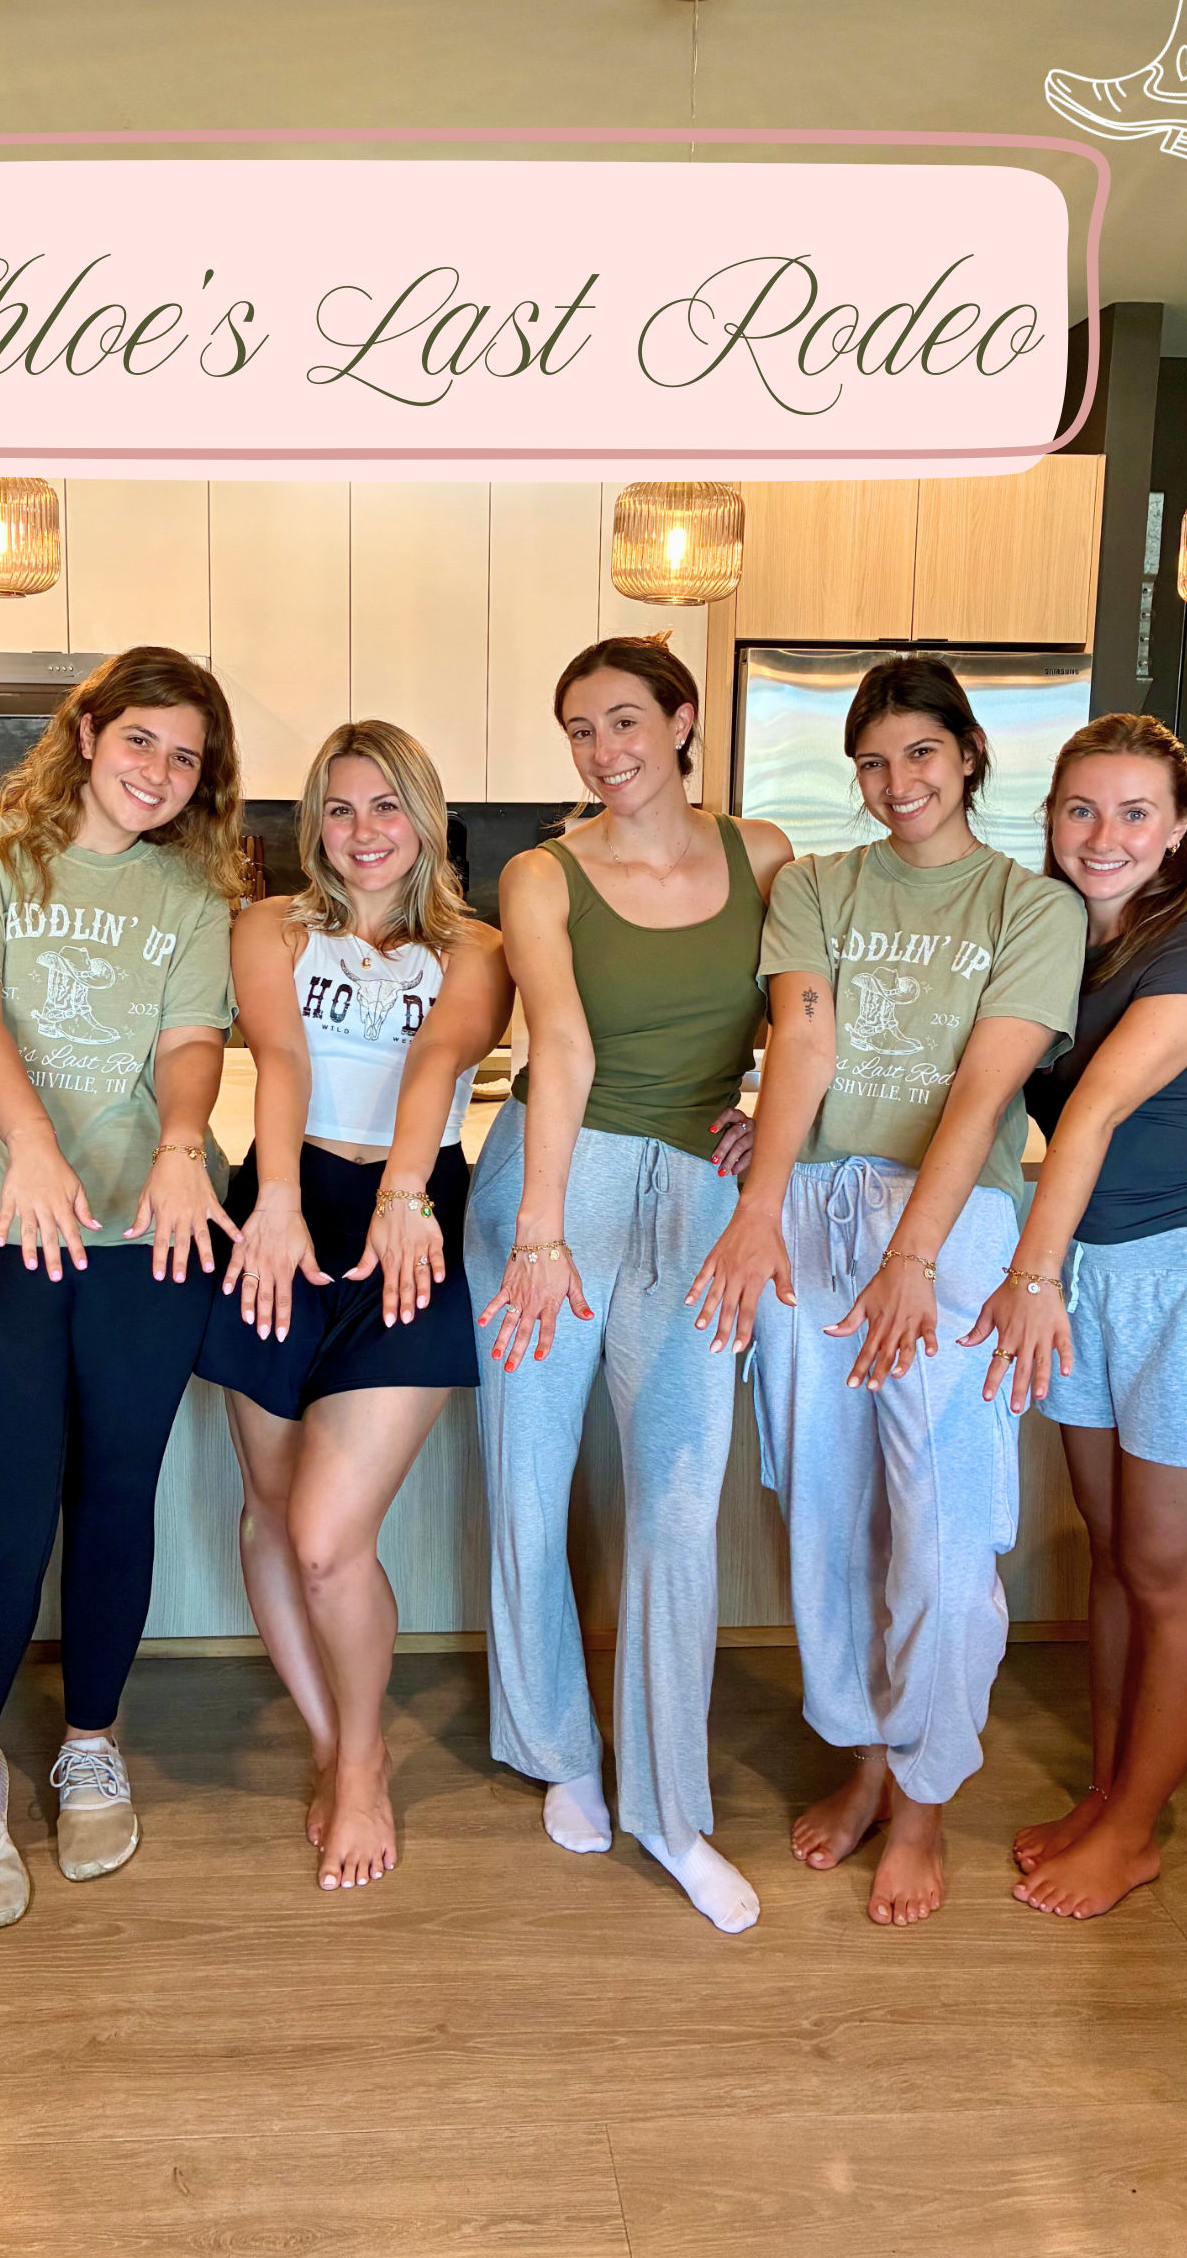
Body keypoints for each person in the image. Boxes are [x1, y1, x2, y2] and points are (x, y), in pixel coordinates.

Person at [690, 655, 1086, 1927]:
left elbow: (983, 1090)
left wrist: (914, 1253)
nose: (896, 782)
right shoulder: (814, 886)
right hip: (816, 1208)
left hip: (952, 1227)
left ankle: (924, 1801)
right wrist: (768, 1187)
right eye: (873, 761)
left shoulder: (1032, 908)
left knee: (943, 1526)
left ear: (968, 756)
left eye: (920, 753)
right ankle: (864, 1761)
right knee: (829, 1509)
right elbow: (803, 1040)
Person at [467, 633, 792, 1935]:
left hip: (701, 1192)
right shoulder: (543, 872)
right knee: (530, 1483)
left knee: (676, 1500)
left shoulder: (764, 857)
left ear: (682, 718)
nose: (605, 753)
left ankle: (670, 1809)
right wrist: (541, 1227)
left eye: (623, 722)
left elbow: (806, 1017)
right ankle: (558, 1750)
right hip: (559, 1179)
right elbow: (560, 1039)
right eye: (582, 732)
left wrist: (776, 1127)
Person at [0, 647, 243, 1929]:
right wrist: (32, 1144)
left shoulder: (194, 887)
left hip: (145, 1241)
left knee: (115, 1496)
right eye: (143, 741)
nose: (160, 774)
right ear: (89, 729)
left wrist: (176, 1150)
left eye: (187, 757)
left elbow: (190, 1040)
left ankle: (90, 1740)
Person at [963, 712, 1187, 1919]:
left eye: (1135, 813)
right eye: (1081, 810)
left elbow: (1095, 1113)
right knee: (1114, 1558)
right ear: (1050, 818)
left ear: (1179, 831)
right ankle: (1113, 1797)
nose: (1104, 836)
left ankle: (1139, 1831)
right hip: (1093, 1278)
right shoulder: (1057, 944)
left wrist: (1029, 1278)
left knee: (1167, 1573)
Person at [198, 720, 510, 1891]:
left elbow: (440, 1060)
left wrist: (409, 1193)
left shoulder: (476, 947)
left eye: (387, 806)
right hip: (287, 1202)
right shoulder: (267, 927)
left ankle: (367, 1761)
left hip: (411, 1220)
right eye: (340, 808)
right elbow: (277, 1054)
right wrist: (274, 1201)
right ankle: (330, 1747)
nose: (364, 831)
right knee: (271, 1515)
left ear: (425, 818)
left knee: (331, 1539)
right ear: (311, 825)